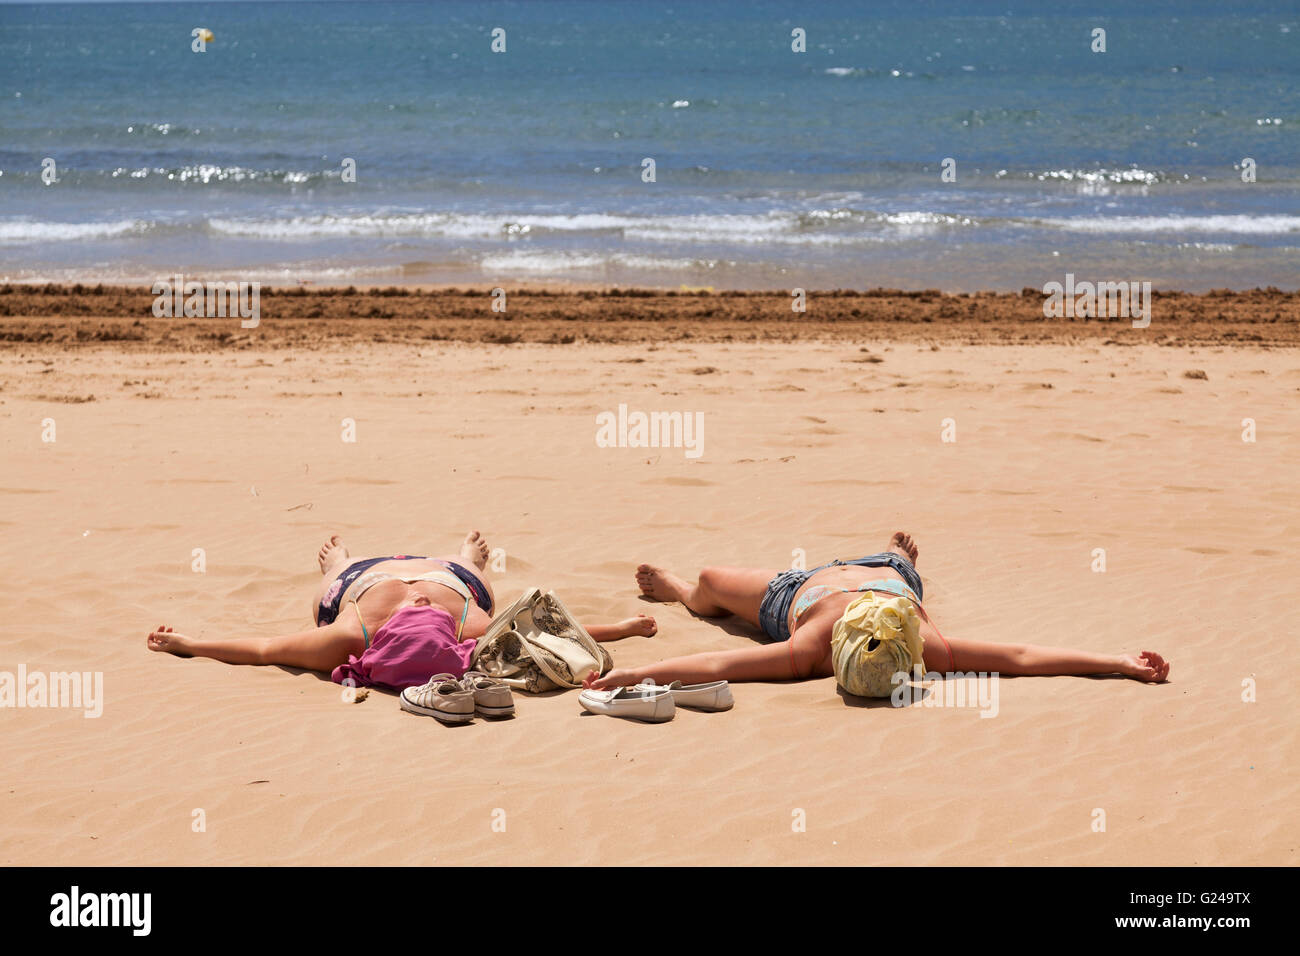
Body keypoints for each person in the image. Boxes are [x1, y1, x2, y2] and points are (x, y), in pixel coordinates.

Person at [584, 532, 1169, 696]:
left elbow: (719, 660)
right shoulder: (923, 644)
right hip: (893, 574)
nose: (871, 616)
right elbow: (1020, 656)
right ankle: (896, 558)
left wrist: (637, 674)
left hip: (797, 591)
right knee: (899, 559)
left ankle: (680, 590)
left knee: (710, 582)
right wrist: (1115, 661)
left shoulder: (806, 647)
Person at [147, 532, 655, 673]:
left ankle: (335, 563)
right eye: (425, 613)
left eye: (413, 614)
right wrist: (623, 627)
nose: (416, 604)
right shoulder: (469, 627)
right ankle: (468, 558)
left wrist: (193, 644)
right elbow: (548, 631)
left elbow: (264, 649)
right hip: (450, 575)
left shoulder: (350, 637)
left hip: (360, 575)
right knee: (479, 576)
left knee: (334, 579)